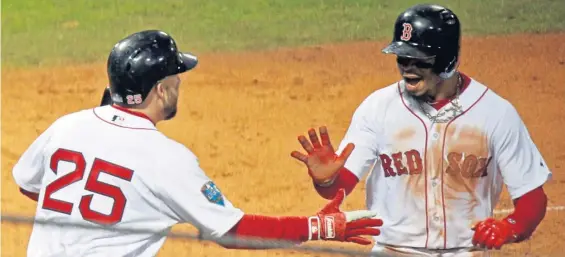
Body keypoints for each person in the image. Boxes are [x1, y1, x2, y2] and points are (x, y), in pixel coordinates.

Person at [12, 30, 383, 257]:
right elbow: (233, 230)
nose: (180, 84)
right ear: (160, 90)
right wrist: (317, 228)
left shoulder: (68, 126)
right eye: (176, 77)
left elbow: (30, 184)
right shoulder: (166, 159)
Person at [290, 4, 551, 256]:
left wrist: (509, 228)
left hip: (465, 253)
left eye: (419, 59)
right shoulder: (377, 108)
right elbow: (338, 188)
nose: (407, 67)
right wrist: (325, 180)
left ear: (448, 58)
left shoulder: (496, 113)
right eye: (402, 57)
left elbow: (532, 199)